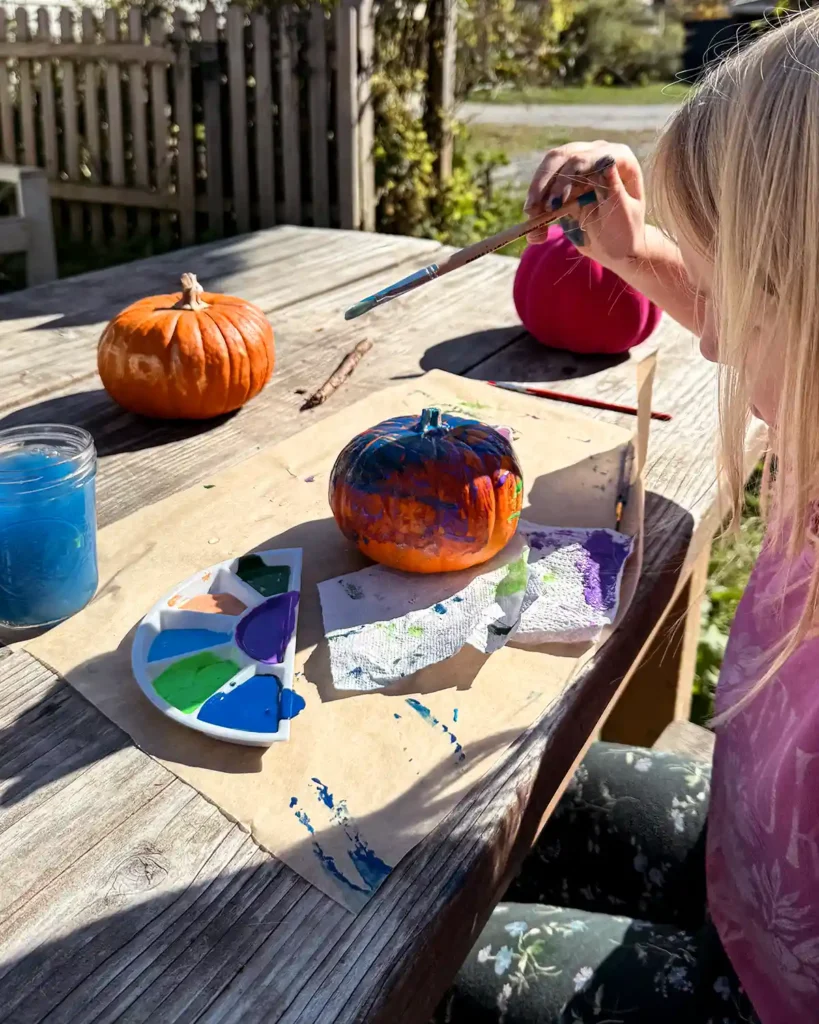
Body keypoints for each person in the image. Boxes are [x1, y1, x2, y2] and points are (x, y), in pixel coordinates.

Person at [432, 11, 819, 1024]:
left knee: (423, 979)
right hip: (751, 876)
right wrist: (639, 252)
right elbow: (778, 323)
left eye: (746, 290)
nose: (713, 338)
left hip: (767, 996)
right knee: (490, 807)